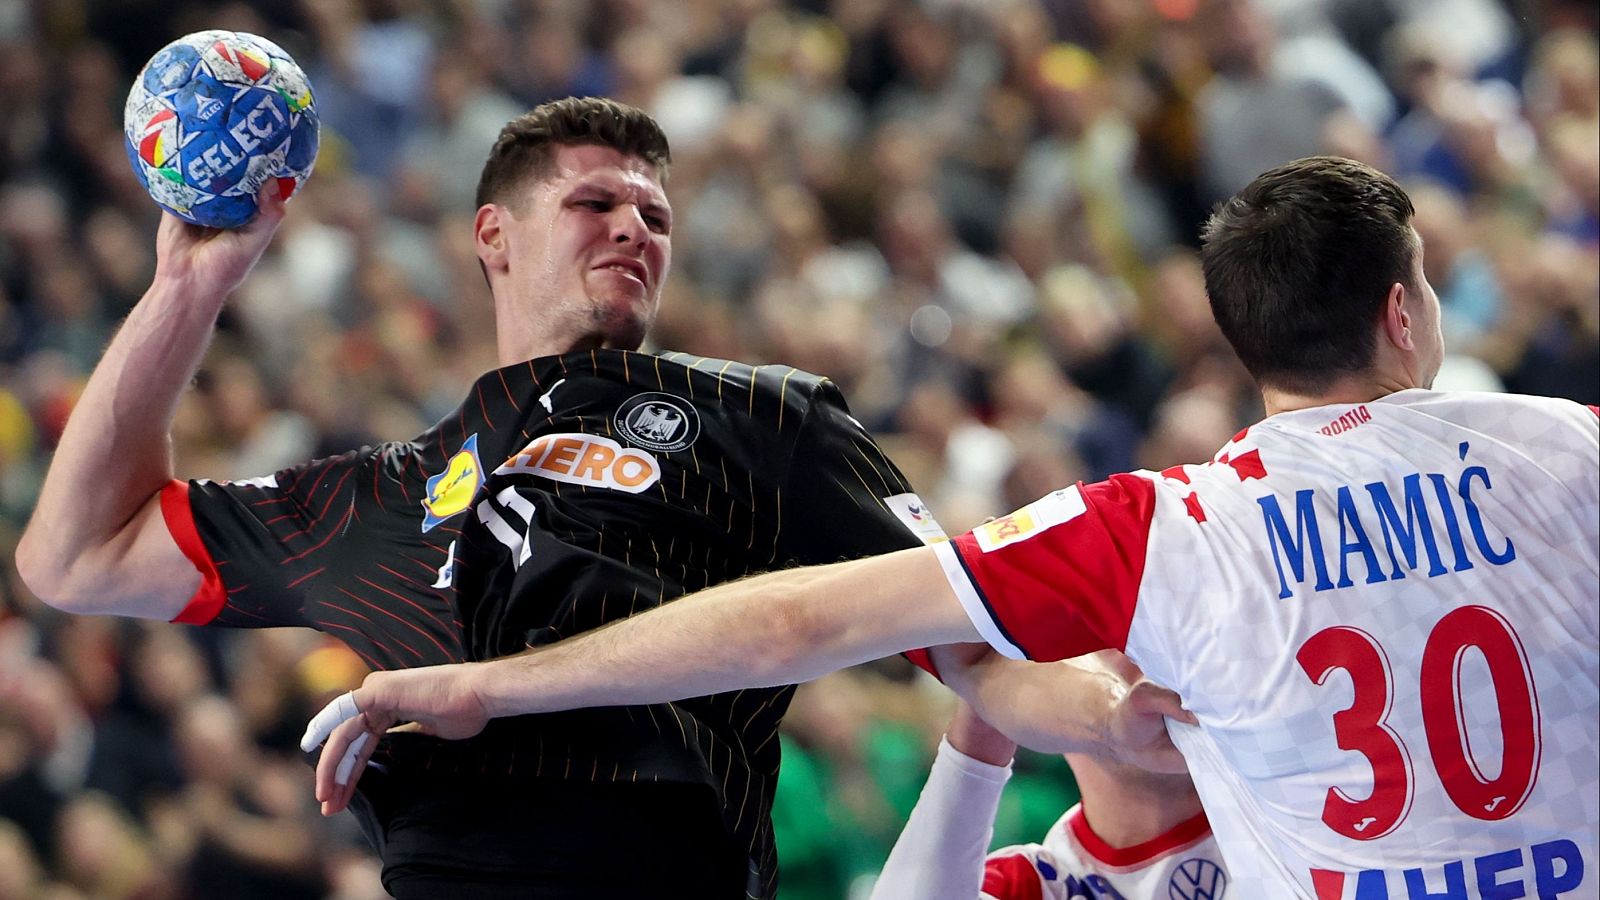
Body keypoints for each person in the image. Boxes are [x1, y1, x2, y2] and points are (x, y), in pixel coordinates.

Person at [305, 156, 1600, 897]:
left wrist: (489, 682)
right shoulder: (1566, 455)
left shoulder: (1178, 529)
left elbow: (798, 616)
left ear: (1243, 339)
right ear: (1401, 313)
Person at [17, 96, 1057, 899]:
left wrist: (1118, 724)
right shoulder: (377, 495)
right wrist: (187, 289)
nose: (634, 231)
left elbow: (977, 623)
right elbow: (72, 558)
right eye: (593, 204)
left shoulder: (760, 416)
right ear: (492, 236)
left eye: (654, 215)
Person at [869, 655, 1227, 900]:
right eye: (1106, 635)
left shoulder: (1276, 806)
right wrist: (988, 699)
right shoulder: (1034, 885)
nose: (1143, 660)